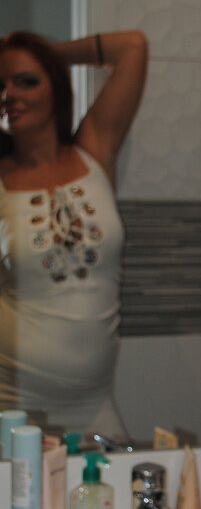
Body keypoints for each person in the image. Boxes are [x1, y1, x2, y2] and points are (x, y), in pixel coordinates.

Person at [0, 30, 147, 437]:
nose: (10, 94)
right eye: (1, 86)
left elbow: (132, 47)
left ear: (56, 86)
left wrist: (46, 53)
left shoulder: (94, 149)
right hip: (13, 405)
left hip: (95, 405)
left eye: (27, 80)